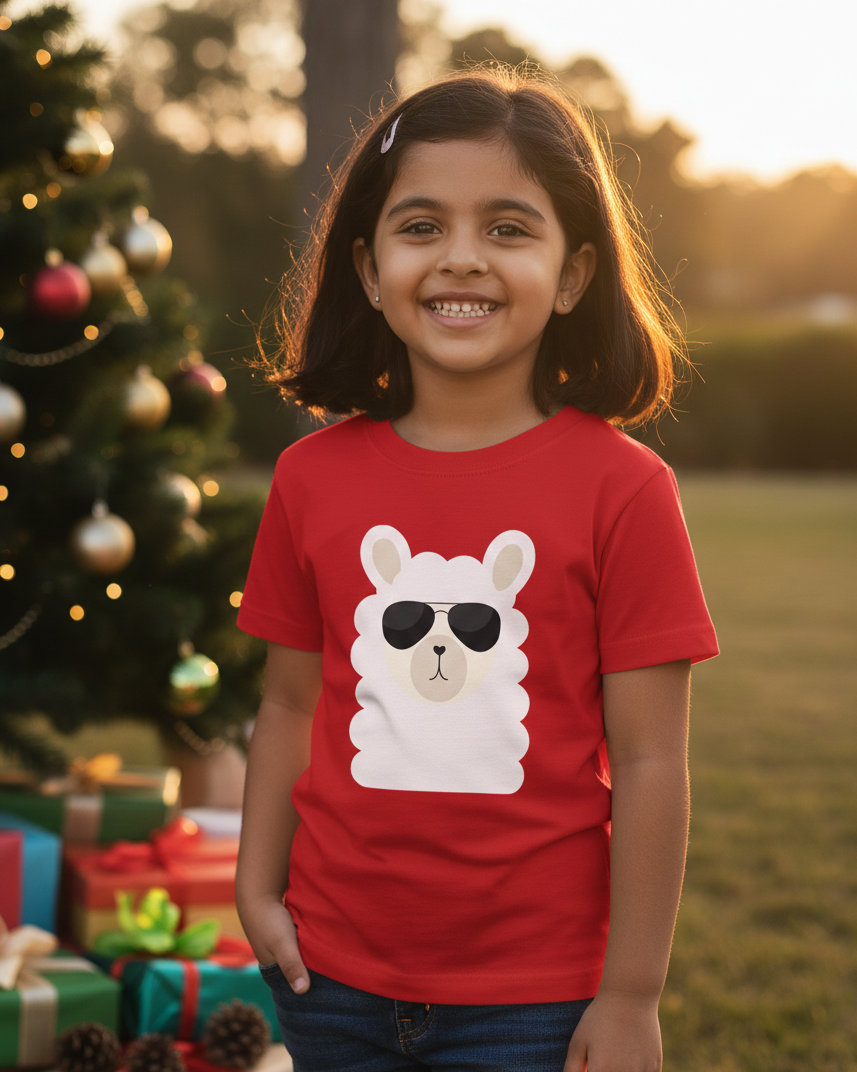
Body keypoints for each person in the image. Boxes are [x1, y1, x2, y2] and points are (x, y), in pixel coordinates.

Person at [235, 67, 718, 1072]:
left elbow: (648, 762)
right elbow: (287, 707)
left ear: (573, 273)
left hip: (536, 1002)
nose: (461, 259)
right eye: (420, 227)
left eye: (506, 228)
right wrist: (255, 886)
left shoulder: (622, 490)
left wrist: (629, 993)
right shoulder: (309, 479)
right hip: (329, 982)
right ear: (367, 270)